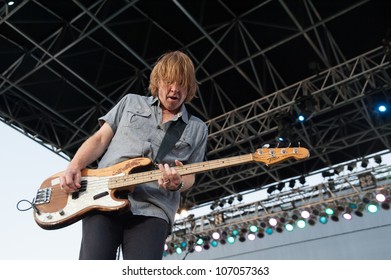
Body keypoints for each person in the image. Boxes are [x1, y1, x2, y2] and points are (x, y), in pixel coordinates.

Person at [59, 50, 208, 260]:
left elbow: (191, 174)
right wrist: (75, 165)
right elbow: (101, 139)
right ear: (158, 81)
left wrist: (177, 183)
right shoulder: (131, 102)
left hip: (153, 206)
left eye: (182, 83)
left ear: (190, 87)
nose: (175, 89)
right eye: (169, 82)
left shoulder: (197, 128)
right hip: (102, 195)